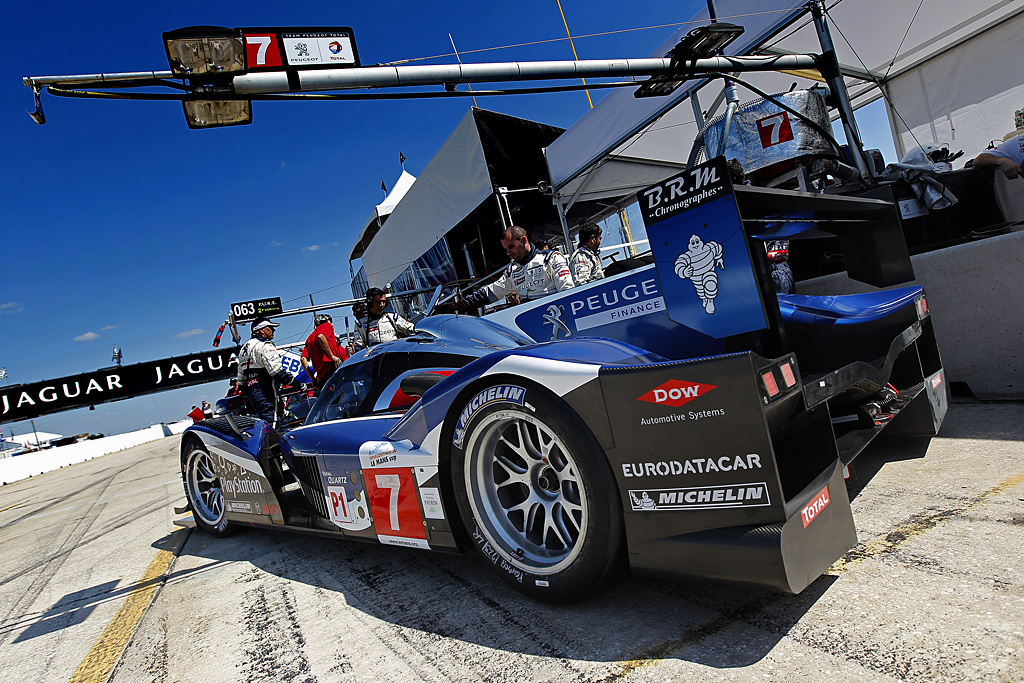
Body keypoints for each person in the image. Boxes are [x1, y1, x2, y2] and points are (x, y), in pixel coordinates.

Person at [461, 226, 574, 309]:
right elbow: (493, 292)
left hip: (557, 315)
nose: (508, 253)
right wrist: (463, 304)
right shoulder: (513, 271)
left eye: (511, 247)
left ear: (523, 240)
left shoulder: (551, 259)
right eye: (506, 249)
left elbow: (569, 292)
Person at [235, 316, 298, 425]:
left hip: (253, 396)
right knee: (273, 428)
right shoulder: (265, 345)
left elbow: (241, 381)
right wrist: (298, 384)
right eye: (270, 328)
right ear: (261, 330)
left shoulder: (243, 349)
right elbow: (277, 372)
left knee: (279, 425)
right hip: (266, 393)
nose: (274, 330)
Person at [304, 313, 347, 390]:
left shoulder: (309, 338)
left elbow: (303, 358)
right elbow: (321, 336)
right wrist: (332, 357)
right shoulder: (326, 326)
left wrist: (312, 379)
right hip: (332, 368)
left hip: (321, 376)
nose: (332, 325)